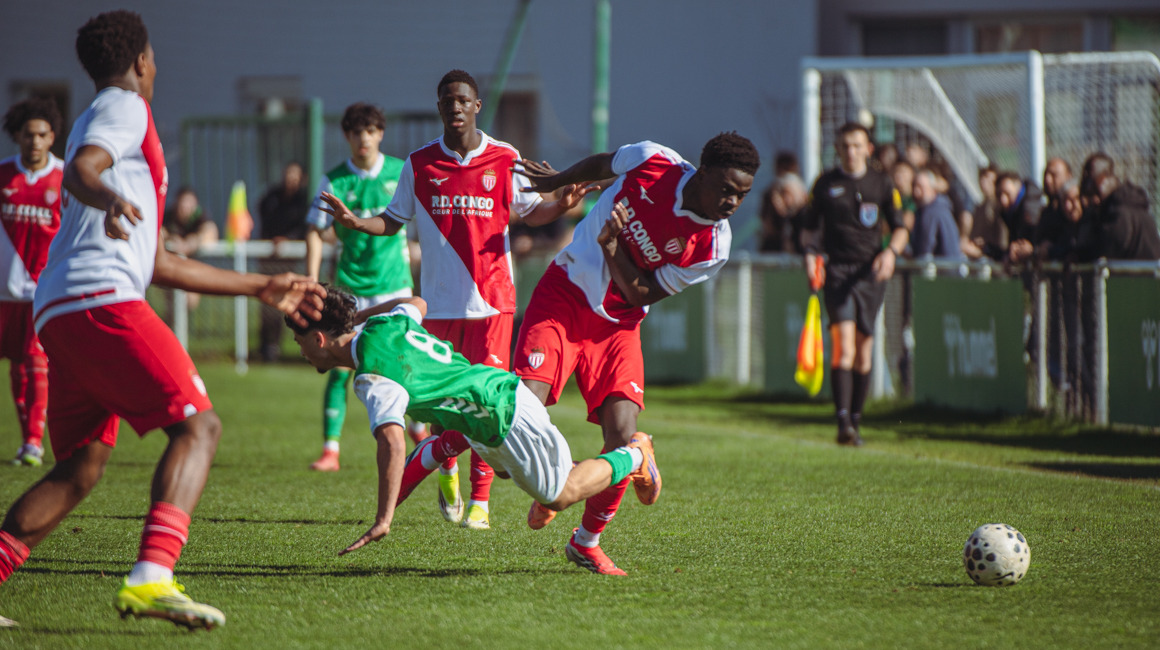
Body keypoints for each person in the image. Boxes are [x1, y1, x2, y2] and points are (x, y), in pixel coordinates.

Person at [0, 11, 324, 630]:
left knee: (80, 467)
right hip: (100, 302)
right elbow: (82, 170)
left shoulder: (112, 120)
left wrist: (260, 285)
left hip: (62, 310)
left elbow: (157, 262)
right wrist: (109, 195)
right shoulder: (123, 105)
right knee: (199, 427)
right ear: (142, 62)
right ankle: (152, 578)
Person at [316, 70, 590, 530]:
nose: (456, 107)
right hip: (440, 306)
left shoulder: (505, 157)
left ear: (476, 106)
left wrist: (561, 205)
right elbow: (392, 220)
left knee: (486, 400)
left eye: (463, 99)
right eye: (448, 100)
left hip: (494, 304)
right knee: (445, 405)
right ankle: (446, 467)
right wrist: (354, 221)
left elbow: (530, 211)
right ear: (439, 107)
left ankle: (480, 504)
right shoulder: (419, 164)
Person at [509, 132, 760, 574]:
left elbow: (642, 290)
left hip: (619, 326)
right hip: (564, 297)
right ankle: (548, 477)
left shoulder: (714, 245)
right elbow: (604, 164)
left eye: (742, 194)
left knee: (624, 438)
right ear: (701, 173)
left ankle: (586, 541)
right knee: (520, 413)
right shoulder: (654, 160)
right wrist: (559, 181)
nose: (732, 202)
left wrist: (611, 246)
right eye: (726, 189)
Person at [286, 288, 659, 565]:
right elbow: (417, 303)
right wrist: (359, 317)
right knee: (505, 473)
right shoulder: (385, 323)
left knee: (559, 495)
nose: (300, 350)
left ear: (320, 339)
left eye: (300, 341)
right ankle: (571, 468)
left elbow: (393, 445)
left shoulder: (372, 378)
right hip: (491, 402)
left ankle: (634, 454)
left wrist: (383, 519)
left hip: (500, 414)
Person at [303, 103, 413, 472]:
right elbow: (315, 231)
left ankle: (419, 431)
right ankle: (330, 449)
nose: (363, 138)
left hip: (394, 285)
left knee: (405, 364)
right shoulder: (335, 180)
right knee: (337, 366)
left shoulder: (401, 172)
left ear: (380, 133)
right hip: (351, 289)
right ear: (347, 137)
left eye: (370, 130)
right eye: (355, 132)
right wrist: (312, 280)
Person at [800, 122, 907, 447]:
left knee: (864, 353)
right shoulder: (825, 183)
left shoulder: (882, 183)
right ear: (838, 148)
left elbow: (901, 228)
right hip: (838, 272)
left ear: (868, 149)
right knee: (844, 347)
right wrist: (809, 255)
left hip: (870, 274)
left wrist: (890, 253)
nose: (851, 151)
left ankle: (857, 421)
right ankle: (843, 421)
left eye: (857, 145)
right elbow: (808, 228)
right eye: (845, 145)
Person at [0, 97, 63, 467]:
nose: (35, 142)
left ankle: (35, 442)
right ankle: (27, 439)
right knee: (15, 367)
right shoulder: (3, 175)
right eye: (28, 135)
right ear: (18, 137)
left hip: (43, 291)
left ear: (52, 136)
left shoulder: (65, 178)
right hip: (4, 292)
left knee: (36, 362)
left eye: (41, 135)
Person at [257, 161, 310, 362]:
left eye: (295, 175)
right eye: (289, 174)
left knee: (292, 301)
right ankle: (268, 346)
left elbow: (304, 226)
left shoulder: (303, 201)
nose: (291, 179)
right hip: (270, 258)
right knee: (269, 302)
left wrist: (289, 239)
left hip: (290, 260)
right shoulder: (272, 197)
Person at [1080, 152, 1160, 261]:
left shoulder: (1118, 212)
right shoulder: (1133, 205)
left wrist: (1079, 255)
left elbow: (1107, 250)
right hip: (1146, 275)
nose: (1087, 186)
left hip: (1131, 276)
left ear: (1103, 178)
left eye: (1090, 181)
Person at [911, 168, 964, 260]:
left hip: (942, 270)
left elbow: (925, 249)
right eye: (914, 186)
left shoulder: (932, 212)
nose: (916, 192)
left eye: (920, 187)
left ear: (933, 190)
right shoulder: (927, 210)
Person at [962, 164, 1006, 260]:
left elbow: (1002, 239)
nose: (984, 182)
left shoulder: (998, 207)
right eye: (982, 177)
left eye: (989, 179)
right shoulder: (979, 207)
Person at [758, 172, 807, 253]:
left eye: (788, 193)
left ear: (803, 195)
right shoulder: (785, 220)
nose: (786, 200)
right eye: (783, 194)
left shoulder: (807, 219)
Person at [162, 186, 217, 257]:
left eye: (189, 202)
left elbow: (211, 231)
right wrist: (170, 239)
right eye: (183, 202)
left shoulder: (200, 216)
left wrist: (190, 244)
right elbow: (160, 232)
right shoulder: (169, 216)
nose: (185, 206)